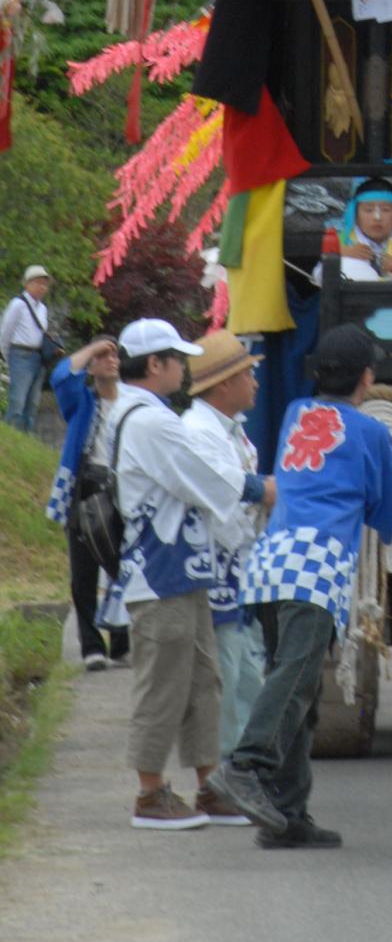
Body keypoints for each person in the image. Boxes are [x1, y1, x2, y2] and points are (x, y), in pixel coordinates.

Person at [210, 325, 392, 849]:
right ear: (368, 377)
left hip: (270, 560)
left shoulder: (298, 413)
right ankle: (247, 766)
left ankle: (288, 814)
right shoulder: (371, 433)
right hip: (315, 568)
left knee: (301, 691)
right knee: (296, 679)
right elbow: (386, 513)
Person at [113, 316, 272, 831]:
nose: (184, 368)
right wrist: (258, 489)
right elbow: (202, 478)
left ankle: (209, 784)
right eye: (177, 359)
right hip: (160, 570)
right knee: (163, 683)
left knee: (204, 679)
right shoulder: (148, 420)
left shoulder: (145, 415)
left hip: (183, 566)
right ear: (155, 364)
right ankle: (150, 791)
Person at [182, 332, 269, 758]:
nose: (255, 381)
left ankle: (239, 766)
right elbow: (224, 497)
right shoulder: (198, 431)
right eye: (248, 373)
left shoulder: (227, 428)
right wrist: (263, 492)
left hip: (238, 571)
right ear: (223, 385)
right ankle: (227, 771)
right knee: (229, 674)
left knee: (245, 670)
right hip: (217, 571)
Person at [47, 334, 129, 670]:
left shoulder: (133, 402)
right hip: (86, 489)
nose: (109, 360)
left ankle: (121, 643)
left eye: (114, 355)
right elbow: (61, 376)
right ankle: (92, 646)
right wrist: (93, 348)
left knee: (123, 567)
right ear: (91, 365)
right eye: (101, 356)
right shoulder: (83, 401)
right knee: (83, 572)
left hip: (123, 489)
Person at [2, 264, 53, 432]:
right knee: (18, 401)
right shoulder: (18, 304)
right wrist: (4, 358)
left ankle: (26, 436)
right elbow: (5, 332)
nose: (42, 287)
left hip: (38, 357)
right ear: (27, 283)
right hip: (20, 354)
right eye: (38, 282)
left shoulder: (43, 308)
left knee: (32, 403)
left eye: (44, 284)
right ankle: (11, 434)